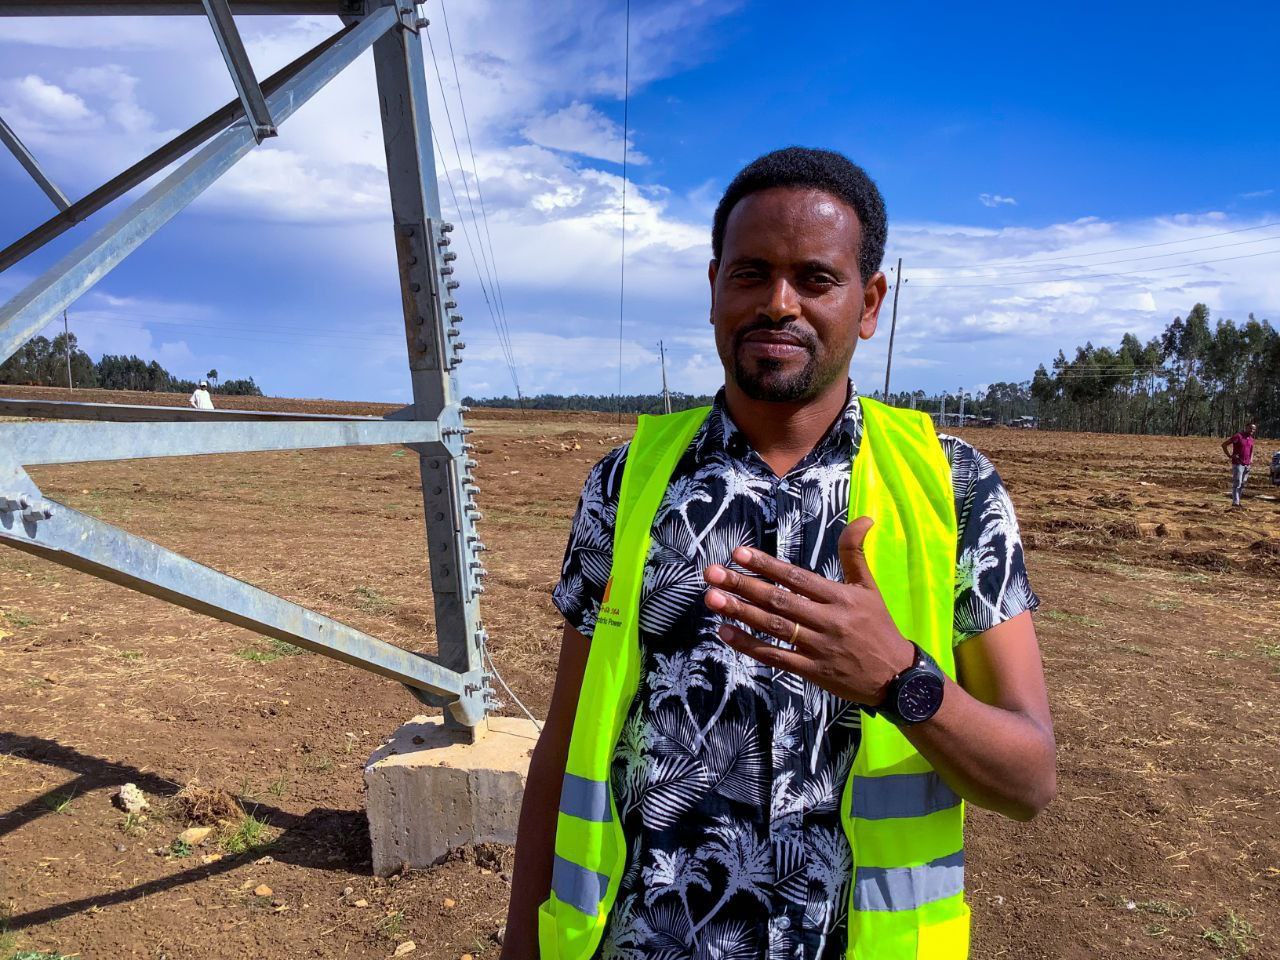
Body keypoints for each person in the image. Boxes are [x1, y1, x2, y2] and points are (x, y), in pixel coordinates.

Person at [503, 147, 1056, 960]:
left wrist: (897, 678)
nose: (778, 303)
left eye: (816, 278)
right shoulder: (626, 484)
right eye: (751, 273)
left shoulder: (953, 488)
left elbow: (1030, 779)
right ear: (714, 289)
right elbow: (563, 748)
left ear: (869, 303)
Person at [1221, 421, 1257, 508]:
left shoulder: (1251, 439)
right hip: (1238, 464)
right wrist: (1229, 455)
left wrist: (1251, 460)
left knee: (1243, 484)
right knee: (1237, 483)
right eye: (1250, 428)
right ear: (1246, 427)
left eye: (1253, 429)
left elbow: (1251, 450)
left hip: (1247, 464)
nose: (1252, 430)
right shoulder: (1238, 436)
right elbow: (1224, 445)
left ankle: (1238, 501)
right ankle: (1235, 502)